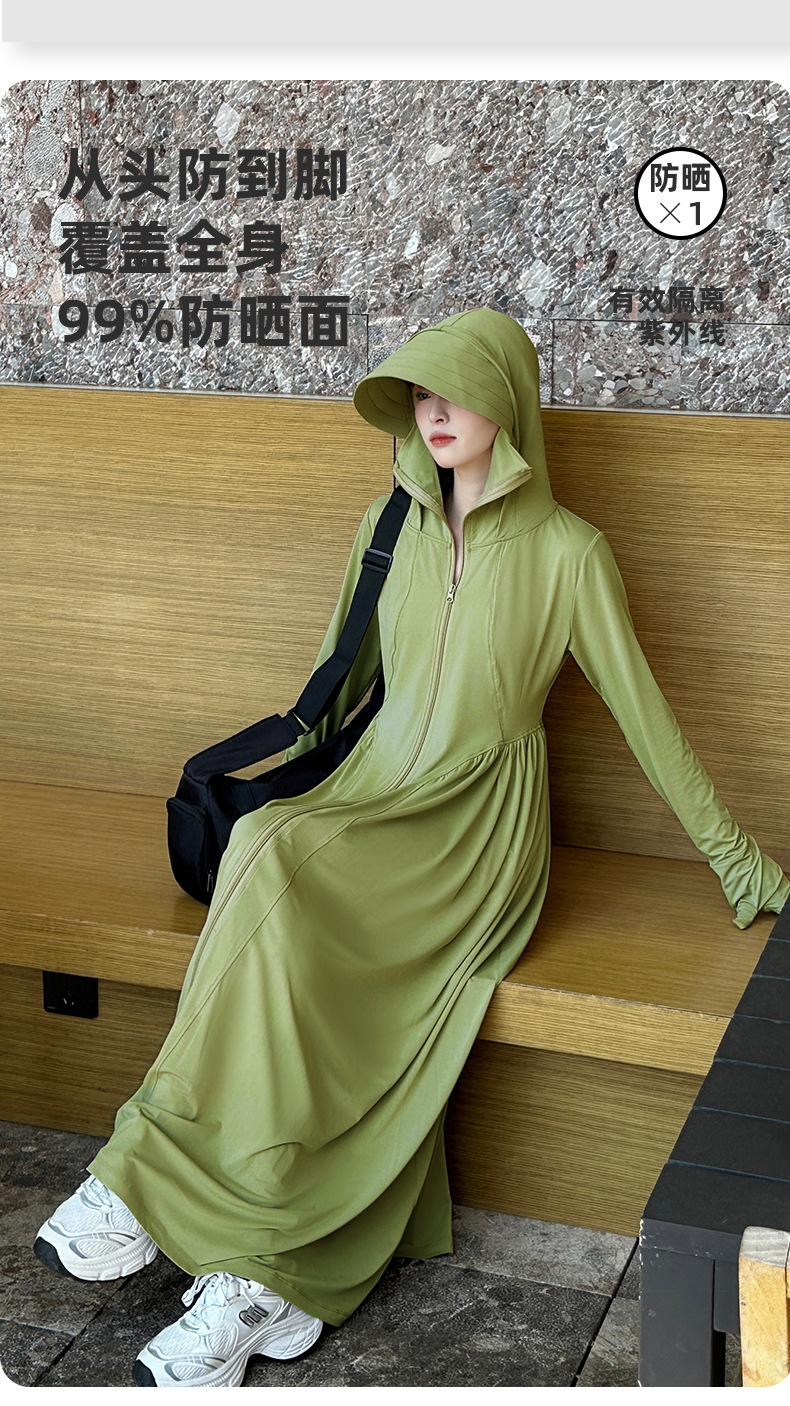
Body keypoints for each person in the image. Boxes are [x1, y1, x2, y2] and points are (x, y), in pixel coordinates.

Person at [33, 307, 790, 1388]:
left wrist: (737, 859)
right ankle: (204, 1218)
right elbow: (330, 680)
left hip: (476, 825)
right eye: (419, 395)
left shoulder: (569, 552)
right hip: (369, 788)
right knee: (264, 846)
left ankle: (150, 1181)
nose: (434, 413)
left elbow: (645, 717)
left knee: (277, 865)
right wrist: (261, 780)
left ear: (509, 403)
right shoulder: (388, 526)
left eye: (455, 390)